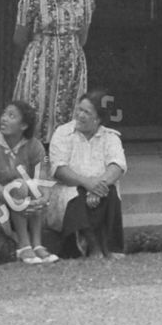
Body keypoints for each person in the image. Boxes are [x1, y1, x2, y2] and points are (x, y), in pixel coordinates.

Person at [12, 0, 95, 145]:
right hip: (39, 64)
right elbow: (19, 37)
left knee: (68, 113)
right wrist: (42, 52)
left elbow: (83, 36)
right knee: (36, 110)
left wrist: (67, 51)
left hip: (71, 65)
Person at [46, 90, 126, 260]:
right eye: (79, 110)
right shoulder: (63, 133)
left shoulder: (110, 137)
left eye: (87, 112)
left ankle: (110, 247)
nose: (80, 115)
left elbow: (117, 166)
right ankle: (92, 246)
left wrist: (96, 187)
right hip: (70, 187)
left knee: (111, 192)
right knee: (75, 196)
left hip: (100, 188)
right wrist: (87, 183)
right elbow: (59, 169)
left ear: (98, 120)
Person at [0, 100, 56, 264]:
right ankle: (23, 244)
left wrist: (43, 199)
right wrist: (13, 202)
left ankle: (37, 244)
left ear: (24, 126)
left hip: (25, 205)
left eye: (11, 116)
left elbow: (42, 179)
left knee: (34, 188)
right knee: (20, 186)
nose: (4, 119)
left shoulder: (35, 146)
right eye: (4, 114)